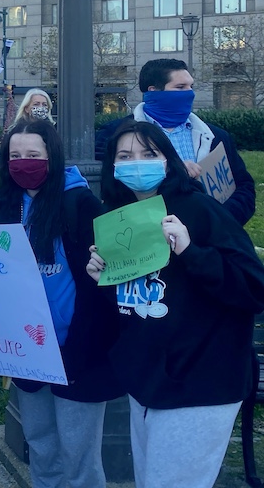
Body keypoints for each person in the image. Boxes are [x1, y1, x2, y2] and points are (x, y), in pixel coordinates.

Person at [86, 120, 264, 488]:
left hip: (201, 381)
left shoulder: (199, 210)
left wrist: (190, 251)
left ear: (167, 161)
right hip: (148, 381)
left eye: (148, 154)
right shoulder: (116, 219)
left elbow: (253, 287)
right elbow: (134, 302)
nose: (137, 163)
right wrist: (103, 277)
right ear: (113, 167)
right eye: (125, 156)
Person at [0, 119, 122, 488]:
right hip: (29, 349)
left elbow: (100, 285)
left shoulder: (80, 203)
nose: (23, 162)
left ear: (52, 156)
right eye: (15, 155)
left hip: (78, 349)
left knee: (79, 454)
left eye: (33, 155)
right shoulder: (4, 203)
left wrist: (82, 348)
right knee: (41, 444)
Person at [94, 58, 255, 225]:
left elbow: (244, 187)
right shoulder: (113, 134)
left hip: (207, 237)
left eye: (190, 86)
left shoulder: (216, 136)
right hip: (144, 236)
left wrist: (219, 219)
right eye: (180, 87)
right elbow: (104, 188)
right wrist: (174, 171)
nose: (189, 93)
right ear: (154, 90)